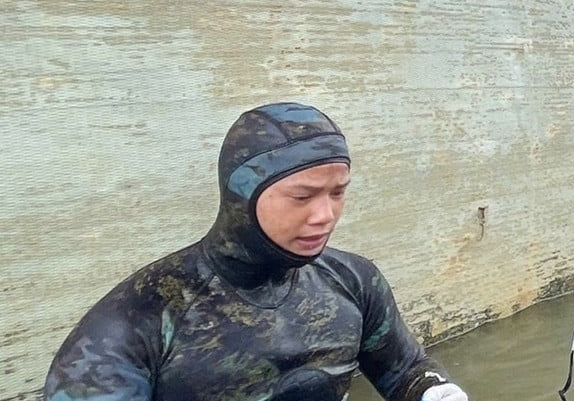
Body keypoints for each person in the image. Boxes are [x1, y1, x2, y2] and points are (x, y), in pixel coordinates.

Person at [44, 102, 469, 401]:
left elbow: (405, 371)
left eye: (338, 193)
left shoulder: (354, 281)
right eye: (302, 197)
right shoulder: (138, 317)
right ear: (241, 197)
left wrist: (434, 391)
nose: (325, 215)